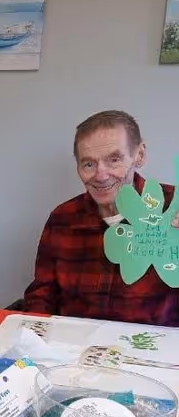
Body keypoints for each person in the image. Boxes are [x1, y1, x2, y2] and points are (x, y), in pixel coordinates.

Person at [23, 110, 178, 325]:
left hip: (154, 352)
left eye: (114, 159)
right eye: (88, 164)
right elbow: (42, 295)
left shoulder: (173, 209)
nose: (101, 175)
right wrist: (33, 338)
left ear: (139, 155)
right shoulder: (63, 218)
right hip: (73, 351)